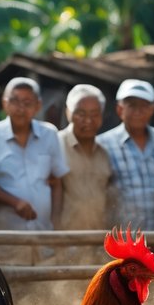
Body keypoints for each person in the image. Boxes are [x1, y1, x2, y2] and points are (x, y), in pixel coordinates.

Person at [0, 77, 69, 265]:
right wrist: (14, 202)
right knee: (8, 281)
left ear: (38, 106)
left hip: (44, 234)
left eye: (27, 103)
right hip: (5, 237)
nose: (21, 108)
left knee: (45, 281)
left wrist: (55, 223)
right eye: (15, 101)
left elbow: (57, 182)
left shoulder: (49, 134)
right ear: (4, 103)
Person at [99, 78, 154, 231]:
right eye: (132, 105)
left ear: (153, 109)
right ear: (120, 109)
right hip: (121, 238)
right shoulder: (103, 145)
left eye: (144, 106)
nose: (138, 112)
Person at [57, 84, 113, 264]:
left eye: (94, 114)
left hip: (98, 246)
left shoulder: (104, 153)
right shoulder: (55, 145)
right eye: (81, 113)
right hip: (63, 245)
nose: (88, 120)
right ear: (68, 112)